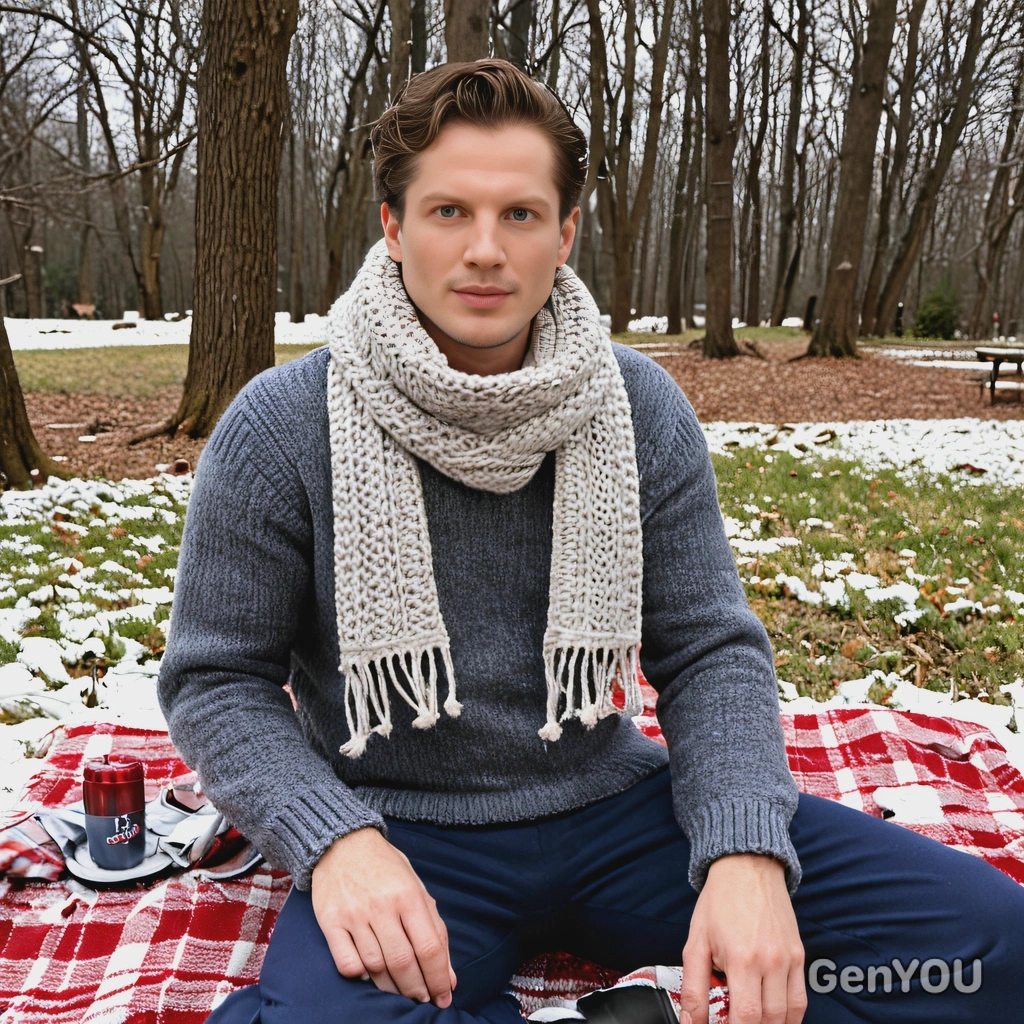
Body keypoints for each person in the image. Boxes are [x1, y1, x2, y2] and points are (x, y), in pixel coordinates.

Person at [157, 59, 1024, 1024]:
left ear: (564, 234)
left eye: (521, 215)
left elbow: (708, 648)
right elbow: (215, 679)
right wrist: (334, 843)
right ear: (394, 228)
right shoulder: (281, 426)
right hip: (401, 829)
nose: (485, 250)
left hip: (618, 812)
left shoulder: (637, 405)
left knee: (992, 947)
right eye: (449, 212)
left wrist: (743, 849)